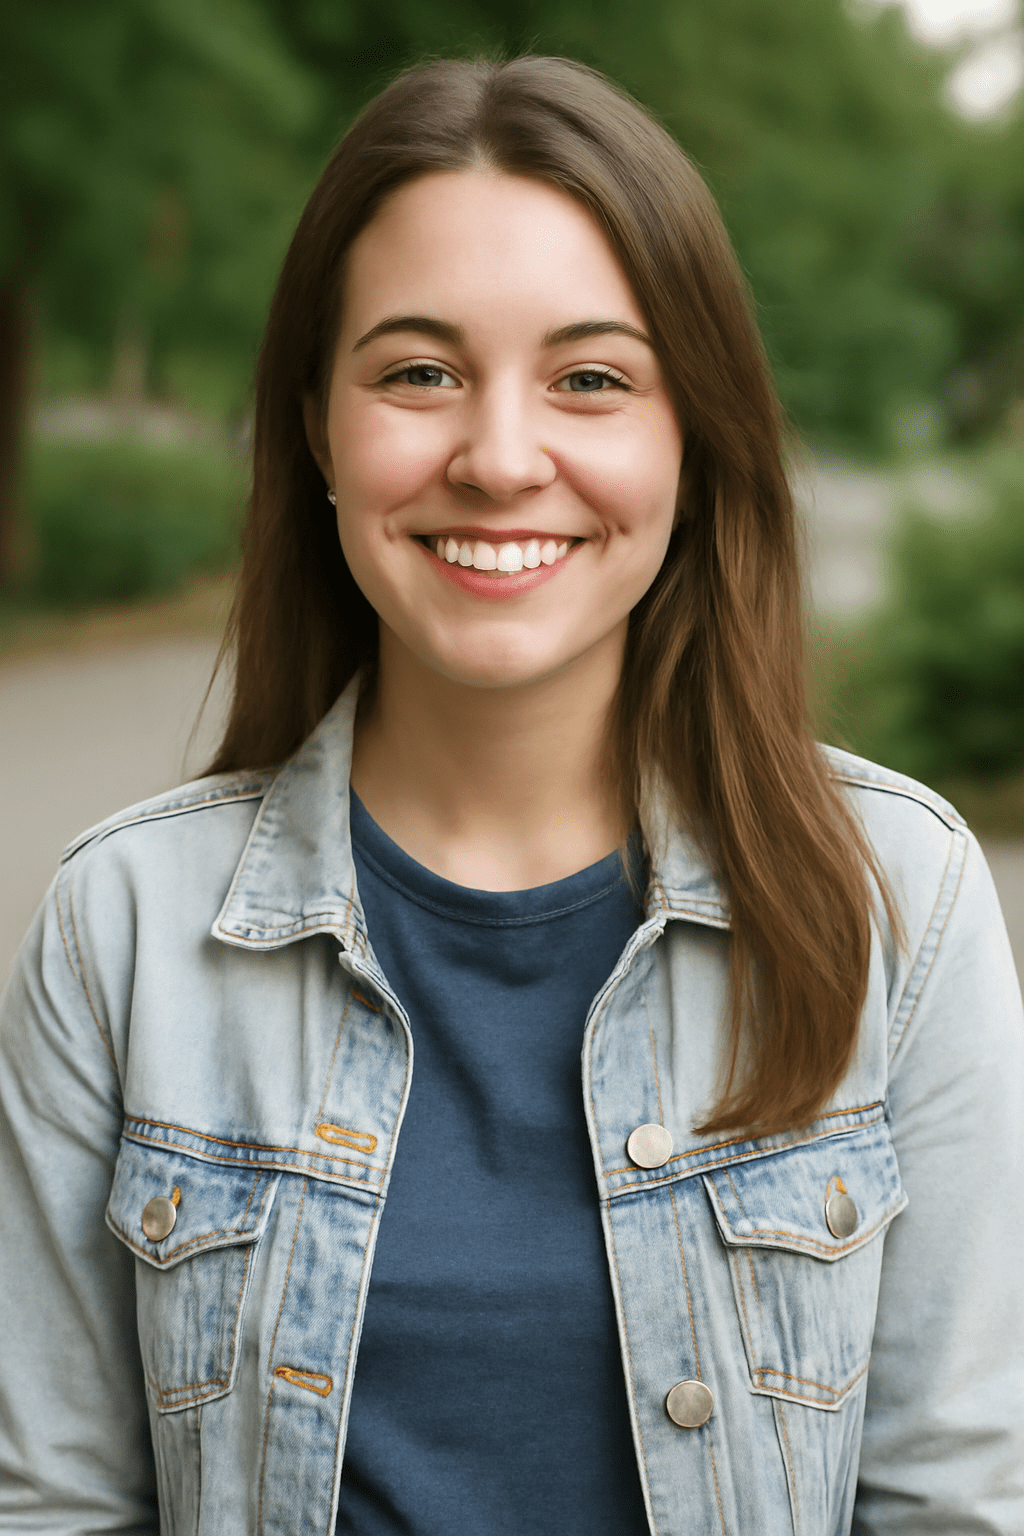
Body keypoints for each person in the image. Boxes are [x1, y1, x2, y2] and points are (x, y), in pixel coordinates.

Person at [0, 54, 1021, 1536]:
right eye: (418, 373)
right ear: (316, 426)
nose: (498, 458)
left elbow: (961, 1502)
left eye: (591, 379)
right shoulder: (124, 929)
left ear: (694, 434)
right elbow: (49, 1504)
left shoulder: (896, 901)